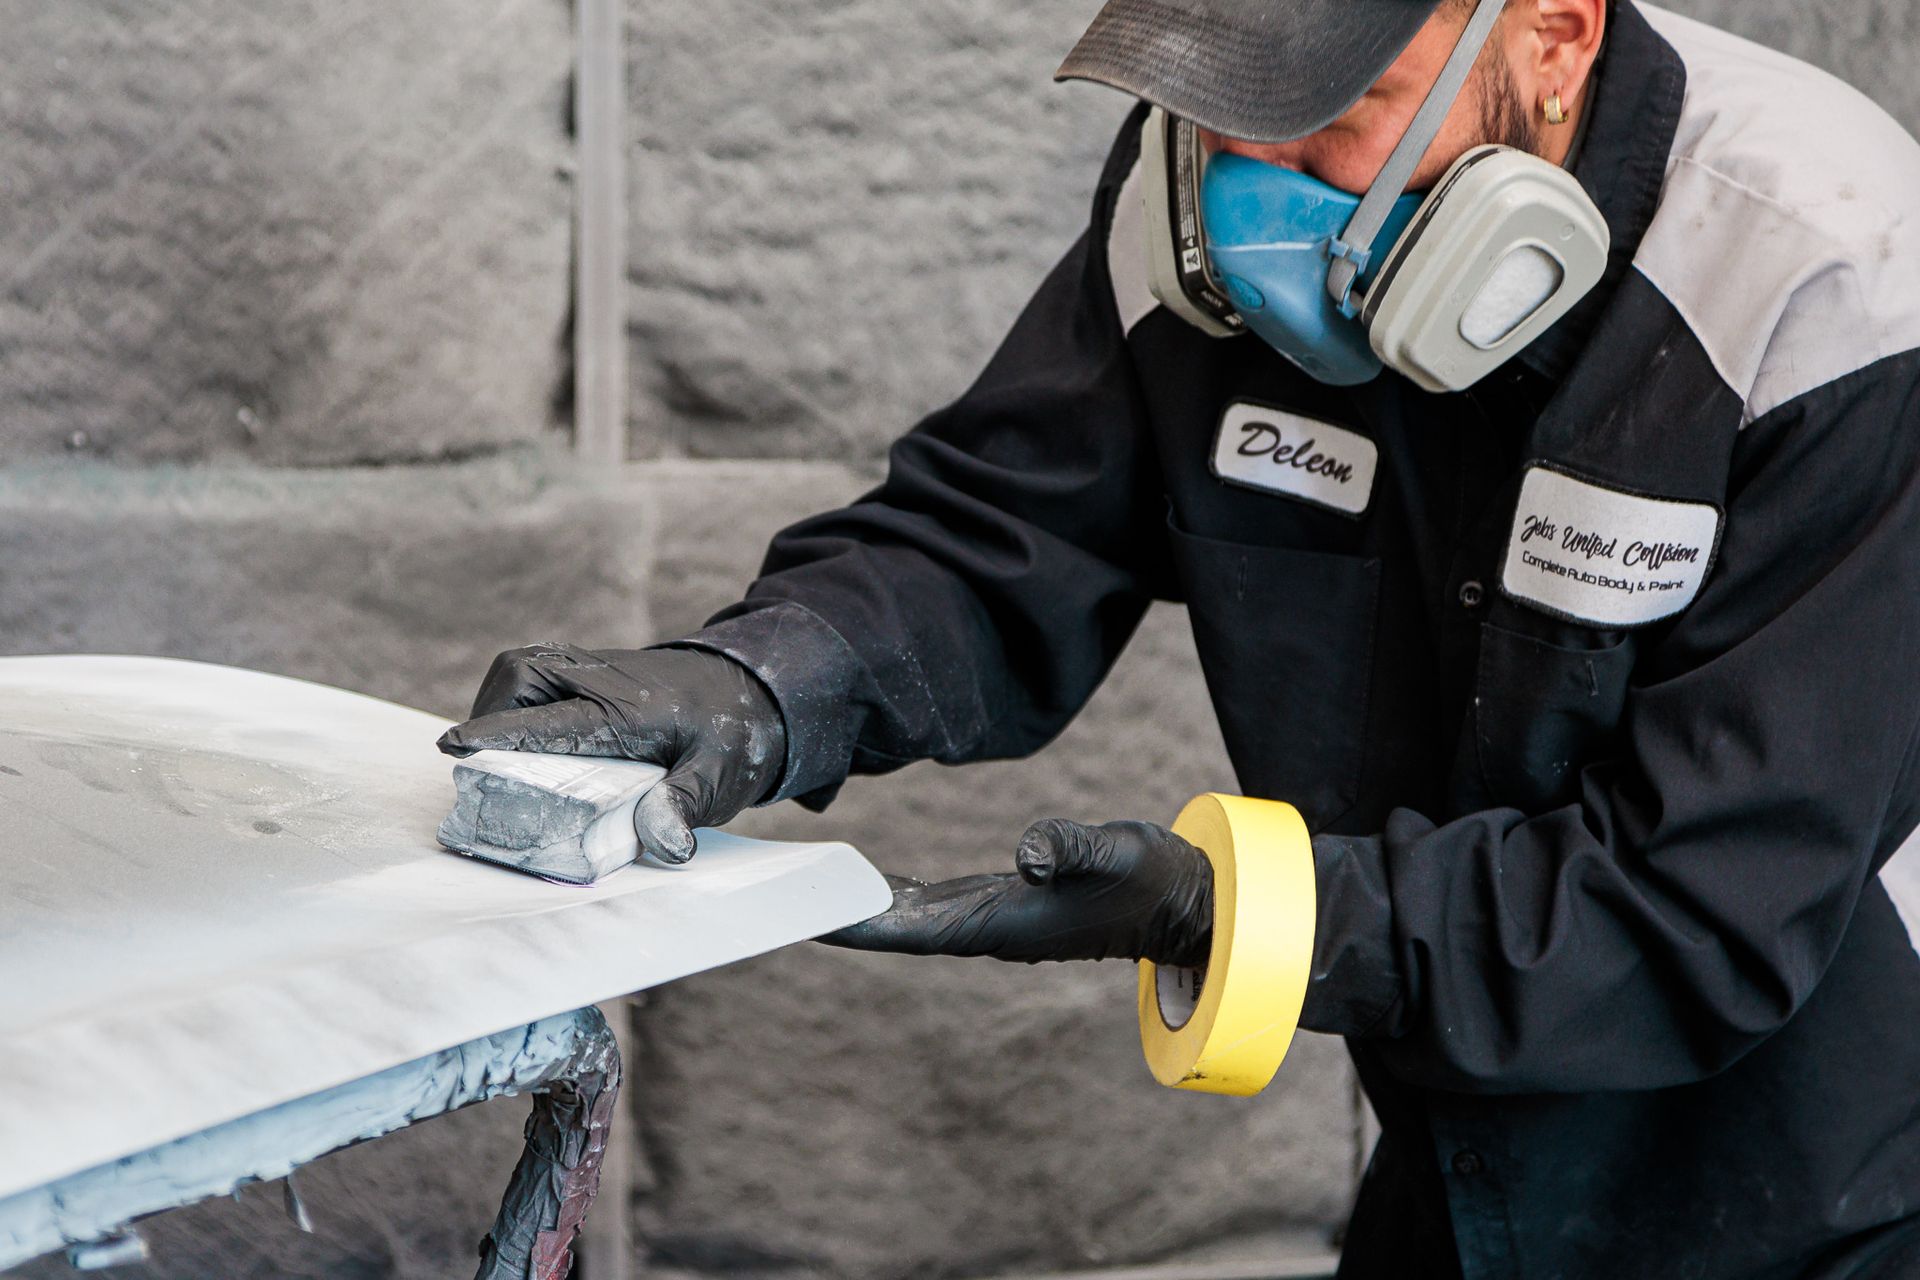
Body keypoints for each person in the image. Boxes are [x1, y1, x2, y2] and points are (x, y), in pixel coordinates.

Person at [438, 0, 1920, 1273]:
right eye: (1217, 107)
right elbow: (1001, 532)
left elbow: (1700, 911)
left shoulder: (1822, 273)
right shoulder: (1187, 204)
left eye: (1332, 111)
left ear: (1550, 32)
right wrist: (758, 682)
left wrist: (1224, 910)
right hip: (1459, 1175)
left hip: (1830, 1182)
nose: (1252, 192)